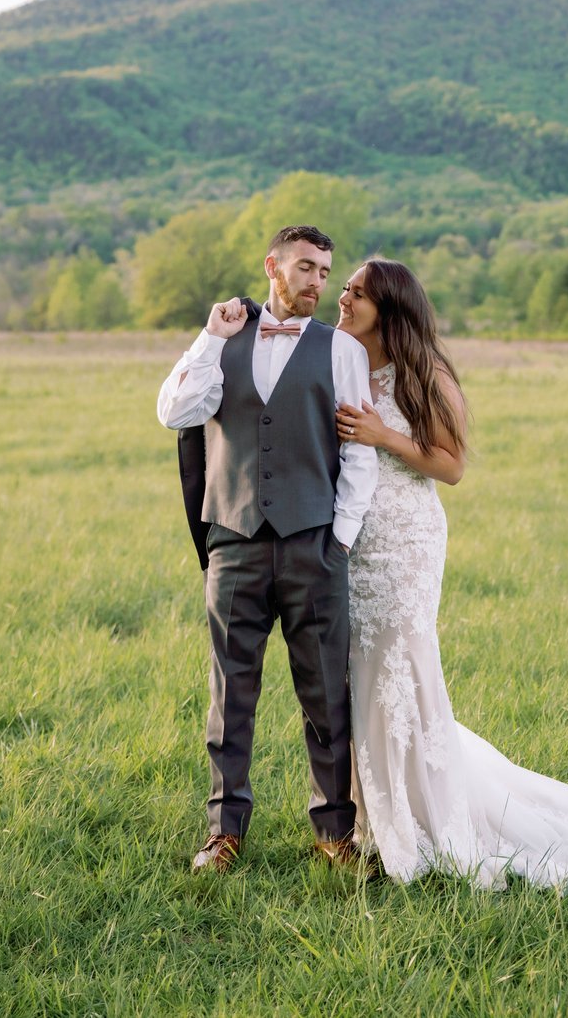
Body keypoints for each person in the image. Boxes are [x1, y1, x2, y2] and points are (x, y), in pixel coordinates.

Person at [335, 258, 568, 889]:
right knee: (362, 677)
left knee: (401, 672)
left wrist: (384, 436)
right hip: (357, 546)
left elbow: (452, 465)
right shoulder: (349, 364)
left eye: (355, 292)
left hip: (406, 545)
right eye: (344, 288)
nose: (342, 299)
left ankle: (424, 820)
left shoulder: (423, 371)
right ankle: (372, 819)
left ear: (391, 307)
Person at [157, 226, 378, 873]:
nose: (317, 281)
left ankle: (335, 832)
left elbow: (360, 454)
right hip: (234, 542)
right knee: (232, 695)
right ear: (272, 268)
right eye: (305, 268)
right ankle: (224, 833)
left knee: (324, 694)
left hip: (314, 543)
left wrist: (337, 540)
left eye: (325, 270)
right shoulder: (222, 341)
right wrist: (209, 336)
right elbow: (175, 411)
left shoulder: (341, 350)